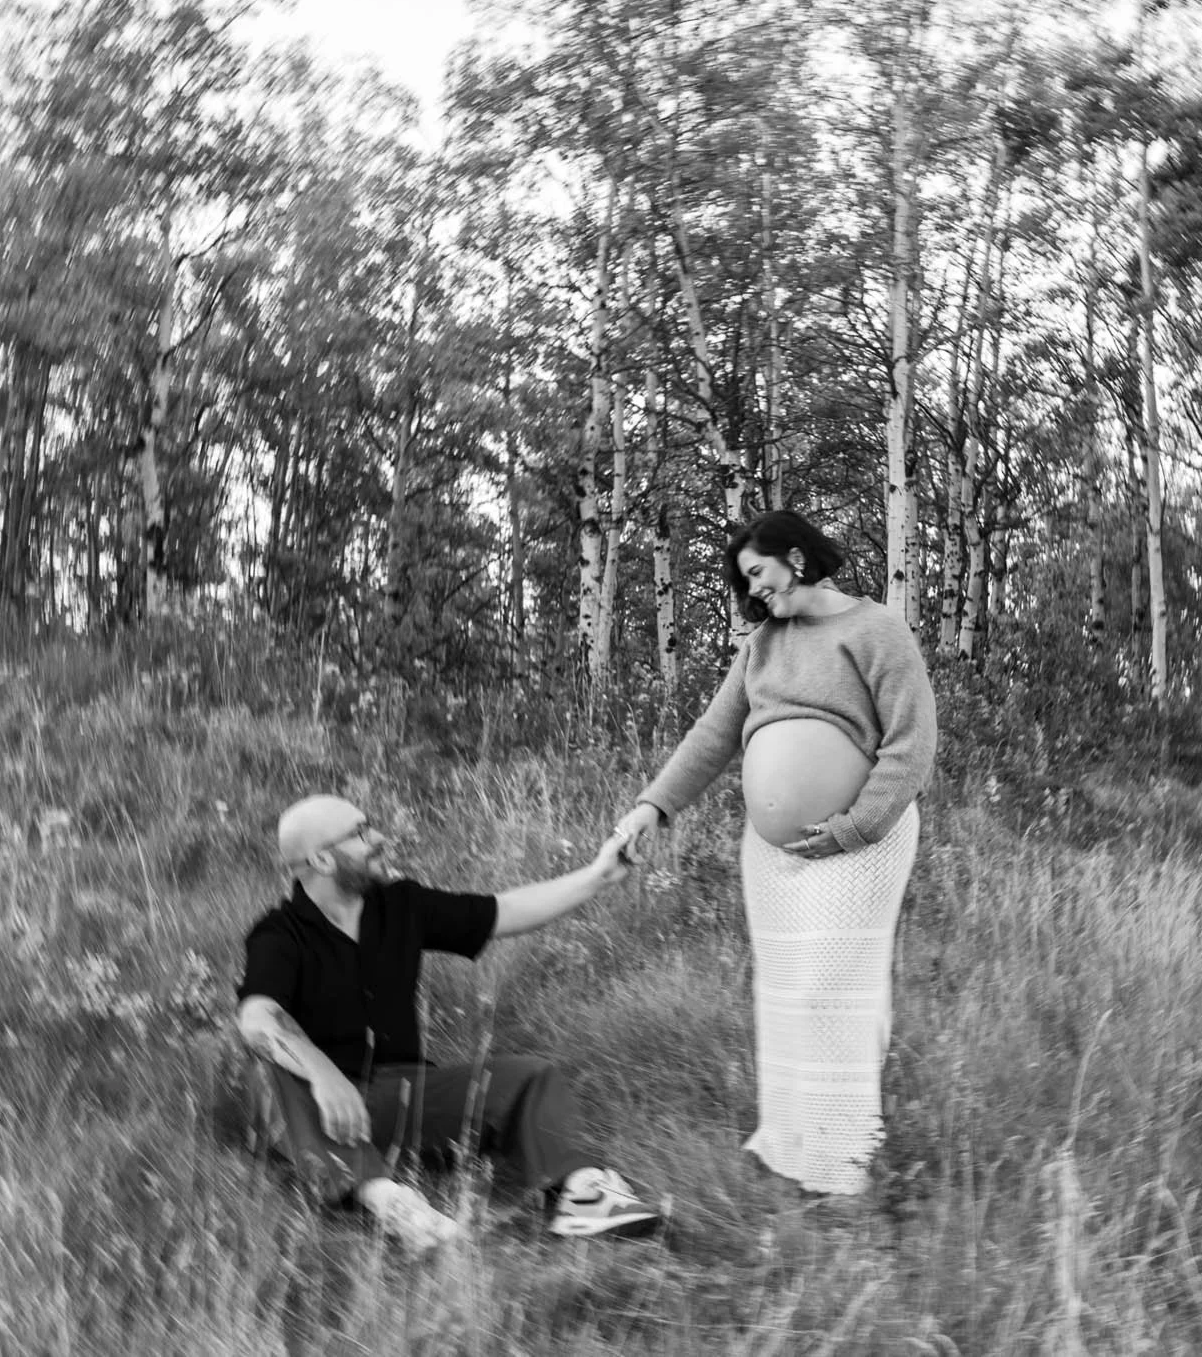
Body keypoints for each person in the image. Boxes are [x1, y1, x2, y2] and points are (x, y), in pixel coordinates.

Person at [607, 509, 937, 1196]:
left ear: (796, 556)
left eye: (758, 572)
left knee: (828, 993)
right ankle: (793, 1146)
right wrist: (652, 806)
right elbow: (712, 737)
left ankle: (843, 1165)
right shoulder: (762, 646)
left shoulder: (875, 630)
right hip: (772, 857)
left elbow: (912, 746)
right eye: (745, 581)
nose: (754, 589)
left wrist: (854, 827)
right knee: (785, 997)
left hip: (861, 844)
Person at [234, 792, 666, 1254]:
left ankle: (584, 1194)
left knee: (529, 1077)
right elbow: (257, 1019)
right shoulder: (279, 934)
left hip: (407, 1098)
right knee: (268, 1069)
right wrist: (323, 1074)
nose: (379, 837)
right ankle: (391, 1204)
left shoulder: (400, 904)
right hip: (323, 1115)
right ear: (322, 859)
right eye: (360, 833)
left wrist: (599, 875)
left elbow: (505, 911)